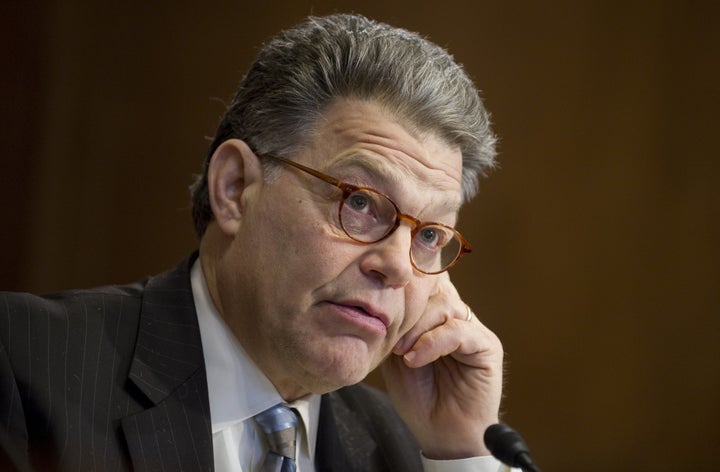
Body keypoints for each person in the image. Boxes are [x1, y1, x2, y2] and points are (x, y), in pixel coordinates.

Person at [0, 13, 516, 471]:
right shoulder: (22, 366)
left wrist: (465, 453)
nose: (398, 267)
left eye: (428, 234)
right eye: (359, 202)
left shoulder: (411, 451)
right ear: (235, 188)